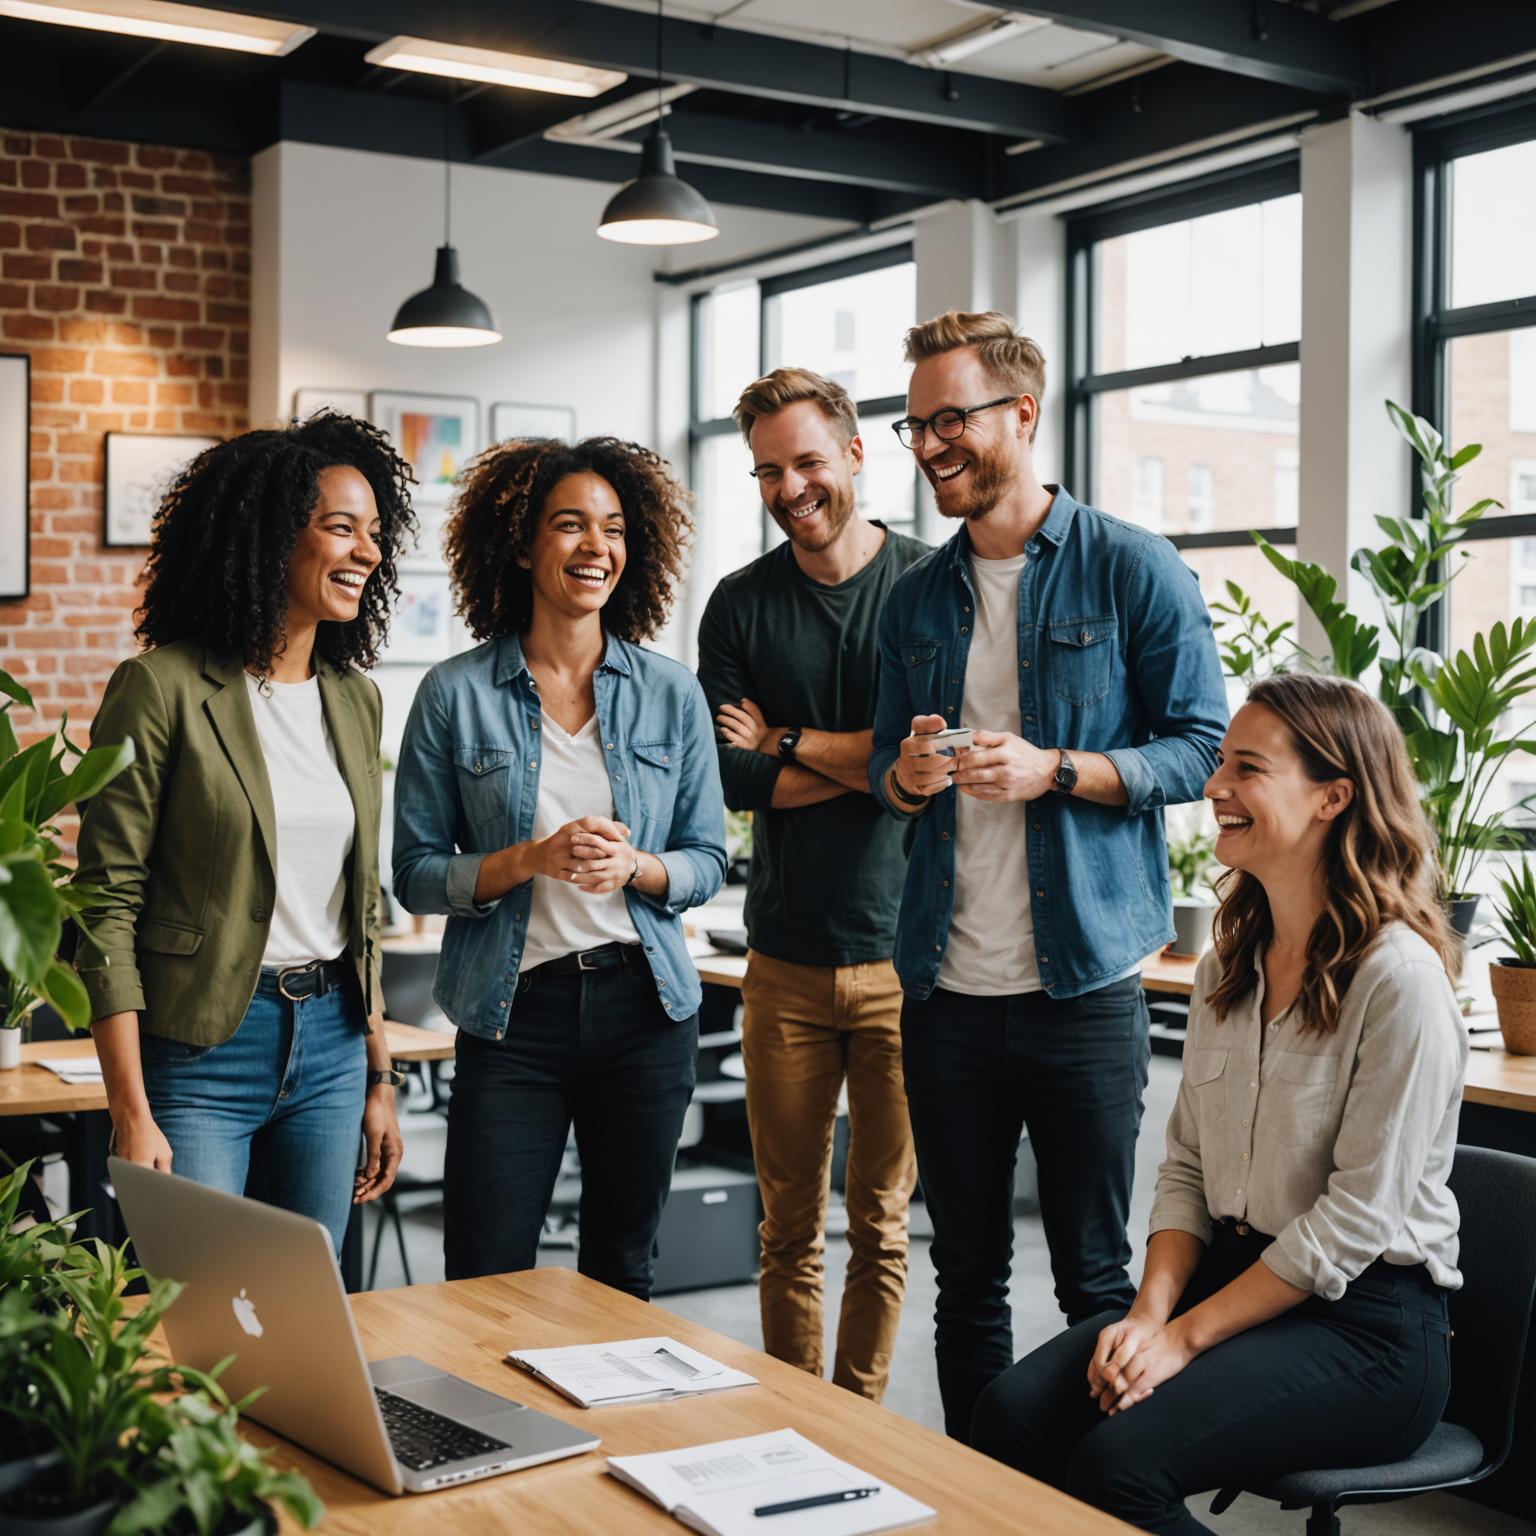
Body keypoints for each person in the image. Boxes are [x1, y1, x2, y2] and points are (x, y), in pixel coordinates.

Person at [970, 673, 1466, 1535]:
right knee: (1009, 1415)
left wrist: (1184, 1339)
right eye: (1220, 766)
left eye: (1247, 769)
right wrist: (1148, 1314)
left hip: (1368, 1330)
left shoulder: (1400, 979)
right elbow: (1188, 1167)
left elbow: (1353, 1222)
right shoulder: (1226, 966)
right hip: (1231, 1282)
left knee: (1117, 1467)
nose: (1213, 788)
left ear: (1331, 798)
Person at [868, 309, 1228, 1440]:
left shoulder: (1132, 568)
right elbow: (885, 772)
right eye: (914, 424)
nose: (928, 445)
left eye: (949, 420)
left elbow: (1203, 749)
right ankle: (980, 1494)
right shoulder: (918, 597)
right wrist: (914, 774)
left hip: (1082, 988)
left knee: (1093, 1275)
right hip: (945, 992)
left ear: (1021, 414)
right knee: (963, 1273)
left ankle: (1097, 1499)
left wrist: (1055, 769)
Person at [392, 436, 726, 1297]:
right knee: (484, 1266)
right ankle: (482, 1434)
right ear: (522, 543)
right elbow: (417, 873)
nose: (596, 547)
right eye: (570, 525)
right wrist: (528, 860)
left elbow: (707, 859)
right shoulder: (454, 693)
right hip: (515, 1018)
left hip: (644, 1011)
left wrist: (641, 868)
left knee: (621, 1268)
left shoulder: (670, 692)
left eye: (613, 529)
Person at [76, 412, 413, 1254]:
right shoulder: (159, 689)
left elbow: (357, 907)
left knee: (304, 1321)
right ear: (268, 540)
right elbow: (104, 906)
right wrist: (130, 1111)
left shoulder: (354, 697)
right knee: (200, 1315)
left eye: (374, 532)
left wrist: (378, 1074)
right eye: (341, 528)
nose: (367, 552)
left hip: (332, 1046)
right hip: (201, 1055)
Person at [696, 368, 928, 1403]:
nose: (789, 487)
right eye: (767, 470)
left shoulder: (931, 586)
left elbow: (925, 769)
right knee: (787, 1226)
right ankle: (796, 1422)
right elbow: (733, 776)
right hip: (782, 962)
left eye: (806, 462)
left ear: (856, 455)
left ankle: (861, 1424)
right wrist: (875, 765)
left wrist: (790, 738)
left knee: (881, 1223)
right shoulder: (740, 606)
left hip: (909, 958)